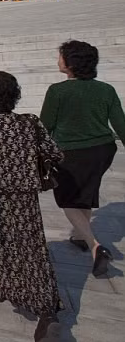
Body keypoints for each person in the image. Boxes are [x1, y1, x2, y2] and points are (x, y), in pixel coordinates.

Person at [0, 71, 65, 342]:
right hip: (25, 198)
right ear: (14, 95)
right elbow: (55, 153)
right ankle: (46, 310)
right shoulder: (29, 122)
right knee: (31, 251)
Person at [40, 40, 125, 278]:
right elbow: (120, 123)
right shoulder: (106, 89)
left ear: (70, 63)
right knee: (85, 192)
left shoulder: (58, 91)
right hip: (102, 150)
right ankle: (78, 236)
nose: (58, 60)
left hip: (70, 152)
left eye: (61, 56)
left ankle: (95, 246)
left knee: (68, 200)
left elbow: (45, 126)